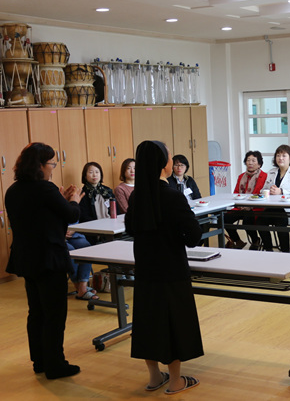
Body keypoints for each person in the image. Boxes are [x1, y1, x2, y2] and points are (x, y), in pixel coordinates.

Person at [124, 141, 203, 395]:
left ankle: (154, 377)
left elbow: (130, 229)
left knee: (148, 321)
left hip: (146, 268)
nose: (172, 161)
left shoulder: (137, 195)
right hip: (171, 268)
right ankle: (176, 381)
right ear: (163, 163)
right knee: (173, 323)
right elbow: (193, 236)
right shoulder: (171, 195)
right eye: (170, 157)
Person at [4, 142, 84, 379]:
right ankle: (55, 364)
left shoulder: (13, 190)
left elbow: (40, 217)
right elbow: (71, 215)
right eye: (51, 164)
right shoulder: (44, 189)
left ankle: (39, 361)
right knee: (55, 314)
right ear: (40, 165)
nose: (53, 169)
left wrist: (60, 199)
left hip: (26, 258)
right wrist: (75, 199)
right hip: (49, 259)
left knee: (36, 311)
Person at [256, 145, 290, 252]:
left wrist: (281, 191)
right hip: (272, 208)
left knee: (280, 218)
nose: (280, 158)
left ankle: (285, 251)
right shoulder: (272, 172)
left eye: (284, 155)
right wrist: (269, 191)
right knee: (259, 221)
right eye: (278, 155)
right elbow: (262, 190)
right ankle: (268, 249)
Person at [225, 151, 267, 250]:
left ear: (259, 164)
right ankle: (238, 241)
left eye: (253, 160)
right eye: (248, 160)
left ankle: (255, 240)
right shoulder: (241, 176)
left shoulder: (264, 176)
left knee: (247, 221)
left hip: (256, 207)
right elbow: (236, 193)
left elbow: (259, 193)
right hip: (241, 207)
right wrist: (241, 203)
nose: (250, 163)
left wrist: (247, 204)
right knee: (225, 218)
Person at [79, 162, 115, 245]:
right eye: (91, 172)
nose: (94, 175)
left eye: (97, 172)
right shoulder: (82, 193)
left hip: (111, 227)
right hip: (93, 230)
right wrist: (99, 226)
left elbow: (116, 210)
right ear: (85, 176)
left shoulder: (107, 191)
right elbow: (83, 216)